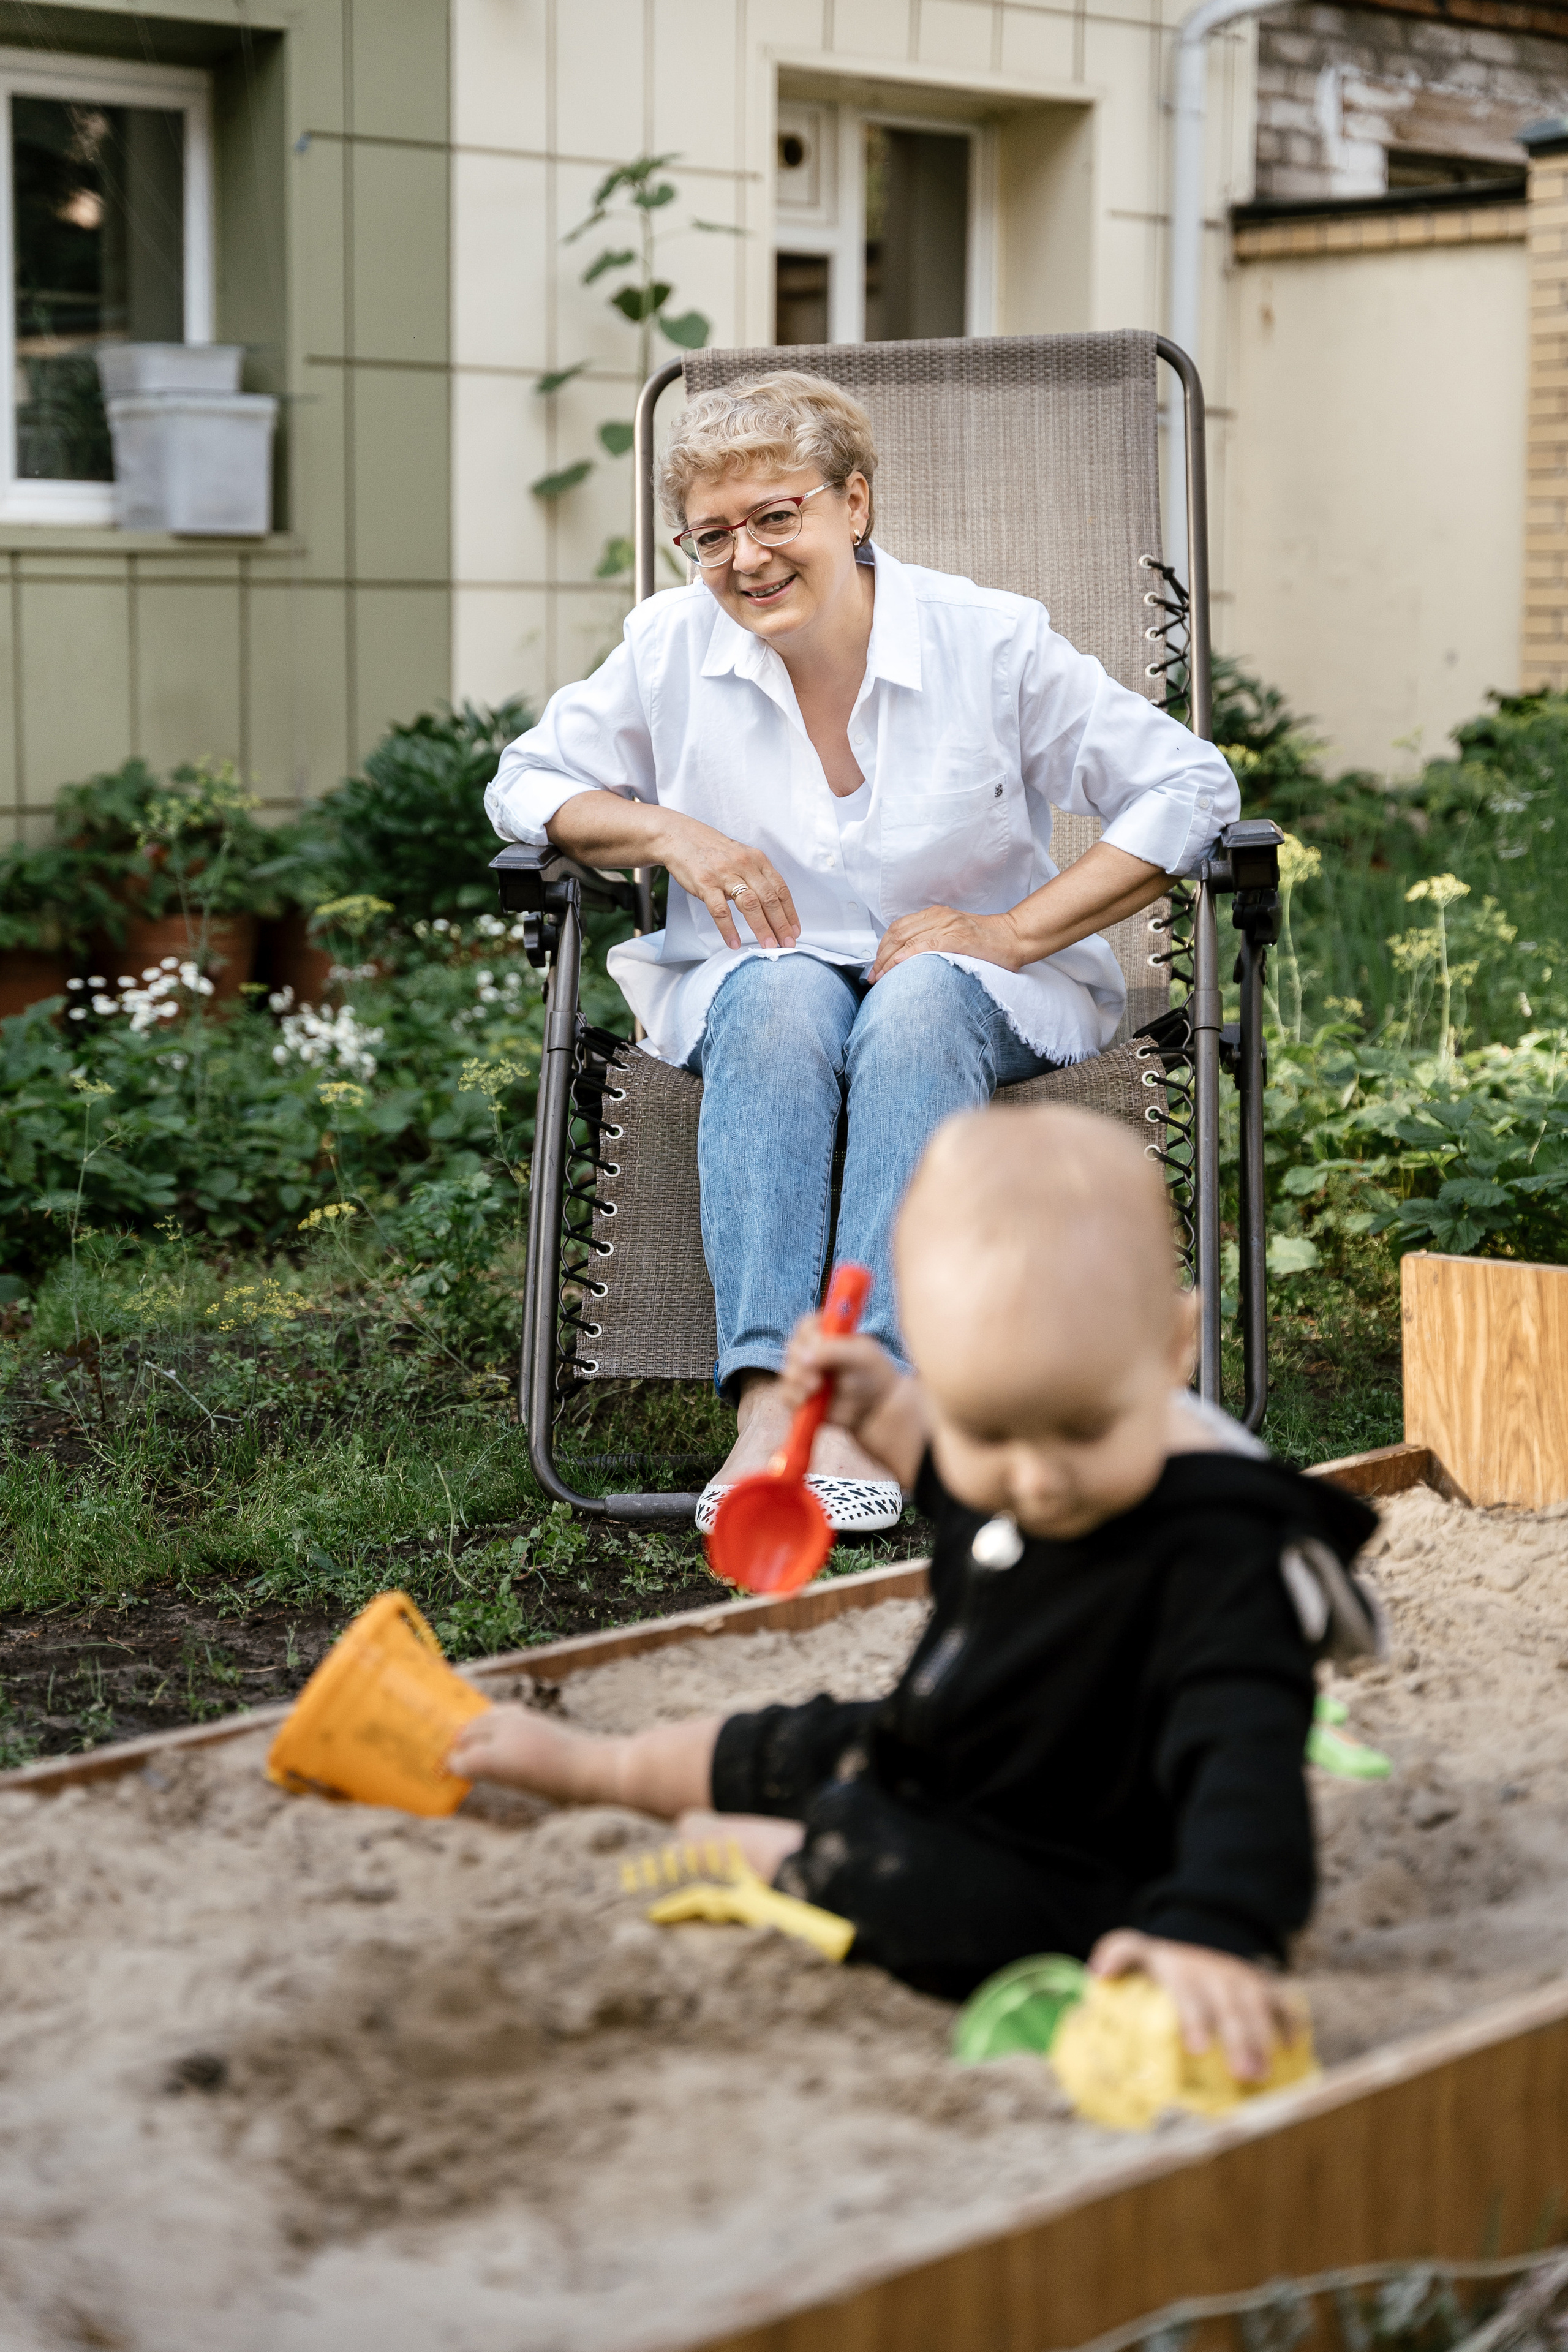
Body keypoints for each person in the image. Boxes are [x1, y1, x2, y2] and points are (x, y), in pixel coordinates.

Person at [450, 1104, 1380, 2082]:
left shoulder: (1224, 1557)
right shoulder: (1024, 1445)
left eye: (1079, 1433)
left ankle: (777, 1860)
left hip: (1078, 1848)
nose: (1036, 1481)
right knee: (791, 1740)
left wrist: (1214, 1931)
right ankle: (607, 1770)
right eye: (987, 1432)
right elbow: (953, 1482)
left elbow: (1247, 1766)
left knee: (945, 1900)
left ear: (1174, 1350)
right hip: (950, 1743)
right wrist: (884, 1409)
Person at [486, 371, 1240, 1535]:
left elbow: (1190, 787)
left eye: (778, 516)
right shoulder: (670, 645)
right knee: (785, 994)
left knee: (921, 997)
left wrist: (1010, 931)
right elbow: (525, 784)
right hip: (754, 993)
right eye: (714, 535)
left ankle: (861, 1405)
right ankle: (770, 1403)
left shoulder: (990, 642)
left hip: (978, 990)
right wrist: (667, 831)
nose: (746, 558)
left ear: (855, 503)